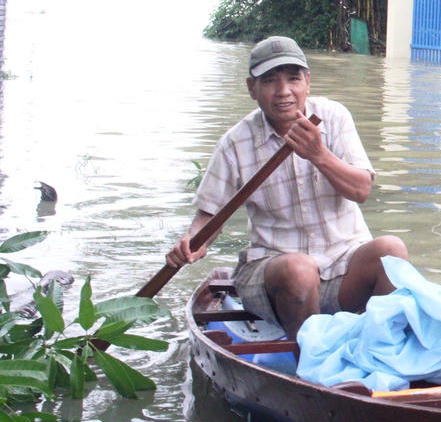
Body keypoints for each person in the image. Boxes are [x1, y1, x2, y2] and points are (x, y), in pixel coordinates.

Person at [167, 36, 407, 337]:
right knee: (299, 269)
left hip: (343, 269)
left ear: (307, 82)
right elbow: (208, 217)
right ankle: (310, 360)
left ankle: (383, 352)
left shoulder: (334, 117)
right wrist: (193, 242)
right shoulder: (234, 143)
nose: (284, 92)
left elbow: (361, 190)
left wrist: (319, 155)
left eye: (293, 79)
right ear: (251, 89)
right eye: (269, 81)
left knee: (392, 250)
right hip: (276, 276)